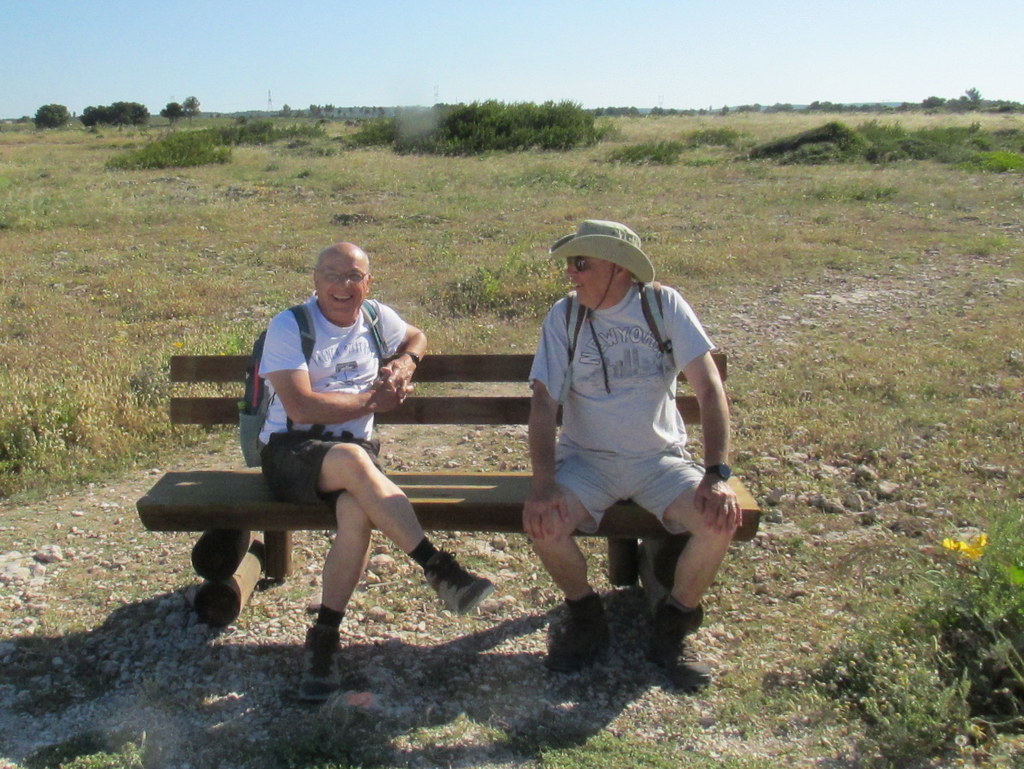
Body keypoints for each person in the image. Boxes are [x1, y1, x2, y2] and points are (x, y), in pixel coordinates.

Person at [259, 242, 495, 702]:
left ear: (368, 282)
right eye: (331, 275)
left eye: (353, 276)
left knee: (355, 513)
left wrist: (405, 361)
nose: (342, 286)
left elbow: (417, 336)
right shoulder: (290, 326)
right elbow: (300, 404)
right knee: (352, 461)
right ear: (314, 280)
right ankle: (439, 568)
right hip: (291, 452)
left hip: (355, 457)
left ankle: (323, 641)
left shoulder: (374, 317)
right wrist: (374, 401)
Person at [523, 220, 742, 691]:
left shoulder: (662, 306)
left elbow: (708, 390)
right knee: (544, 523)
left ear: (619, 269)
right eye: (569, 263)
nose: (570, 274)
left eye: (581, 263)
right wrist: (543, 486)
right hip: (587, 463)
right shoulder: (564, 317)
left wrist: (716, 473)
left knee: (718, 521)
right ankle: (585, 615)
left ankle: (674, 624)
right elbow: (544, 404)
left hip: (658, 461)